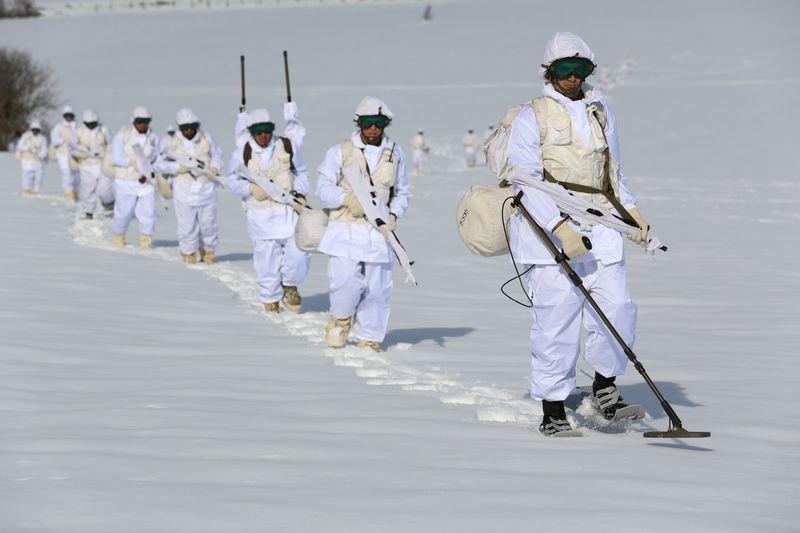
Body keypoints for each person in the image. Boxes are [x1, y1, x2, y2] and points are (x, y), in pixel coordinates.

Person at [505, 32, 650, 436]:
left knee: (618, 308)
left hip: (602, 226)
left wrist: (632, 212)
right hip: (549, 232)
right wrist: (559, 228)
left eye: (580, 69)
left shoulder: (602, 110)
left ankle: (604, 386)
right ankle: (553, 407)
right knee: (557, 320)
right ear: (548, 72)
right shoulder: (531, 116)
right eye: (564, 70)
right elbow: (526, 181)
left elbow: (612, 171)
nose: (573, 78)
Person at [316, 97, 411, 352]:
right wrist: (346, 199)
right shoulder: (341, 151)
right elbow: (322, 189)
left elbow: (403, 191)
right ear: (360, 123)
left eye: (377, 124)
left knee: (378, 288)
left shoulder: (395, 153)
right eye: (368, 123)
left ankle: (369, 336)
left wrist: (394, 215)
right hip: (345, 227)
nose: (372, 129)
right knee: (345, 279)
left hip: (378, 231)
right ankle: (341, 319)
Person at [226, 102, 310, 313]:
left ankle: (290, 285)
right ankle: (270, 298)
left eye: (267, 131)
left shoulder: (286, 146)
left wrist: (300, 192)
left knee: (299, 253)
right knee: (266, 260)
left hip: (288, 211)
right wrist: (251, 189)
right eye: (258, 131)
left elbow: (301, 172)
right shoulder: (242, 152)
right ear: (251, 132)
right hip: (259, 215)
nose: (263, 135)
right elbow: (232, 181)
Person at [155, 108, 223, 263]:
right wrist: (178, 168)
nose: (189, 130)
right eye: (185, 127)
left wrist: (214, 167)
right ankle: (188, 253)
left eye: (192, 126)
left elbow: (218, 155)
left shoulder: (207, 138)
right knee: (187, 226)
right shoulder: (171, 142)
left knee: (208, 225)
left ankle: (208, 250)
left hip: (207, 189)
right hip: (183, 190)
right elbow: (159, 164)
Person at [110, 106, 160, 249]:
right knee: (124, 211)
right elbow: (116, 158)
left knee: (148, 211)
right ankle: (119, 236)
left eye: (146, 121)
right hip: (126, 180)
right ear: (134, 121)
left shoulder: (153, 138)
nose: (142, 124)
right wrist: (133, 163)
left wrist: (149, 171)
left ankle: (145, 240)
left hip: (146, 181)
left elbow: (157, 157)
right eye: (139, 121)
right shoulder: (123, 135)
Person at [73, 109, 113, 219]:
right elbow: (72, 148)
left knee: (104, 189)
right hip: (87, 165)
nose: (91, 126)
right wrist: (83, 153)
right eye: (88, 124)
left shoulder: (104, 130)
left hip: (102, 163)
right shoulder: (79, 131)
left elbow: (111, 145)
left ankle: (109, 204)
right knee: (88, 189)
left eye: (93, 123)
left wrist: (105, 154)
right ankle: (89, 212)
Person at [50, 105, 80, 201]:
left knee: (76, 174)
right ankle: (68, 192)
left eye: (70, 115)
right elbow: (54, 140)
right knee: (67, 173)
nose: (68, 117)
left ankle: (75, 192)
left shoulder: (78, 126)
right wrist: (63, 140)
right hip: (63, 154)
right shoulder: (59, 127)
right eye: (66, 115)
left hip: (75, 154)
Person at [14, 120, 48, 195]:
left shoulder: (42, 138)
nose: (35, 131)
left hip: (38, 160)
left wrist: (40, 154)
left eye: (37, 130)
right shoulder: (26, 136)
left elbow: (44, 150)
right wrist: (29, 148)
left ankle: (36, 190)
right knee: (27, 175)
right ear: (31, 129)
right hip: (26, 159)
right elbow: (20, 146)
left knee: (38, 176)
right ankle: (26, 189)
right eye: (34, 129)